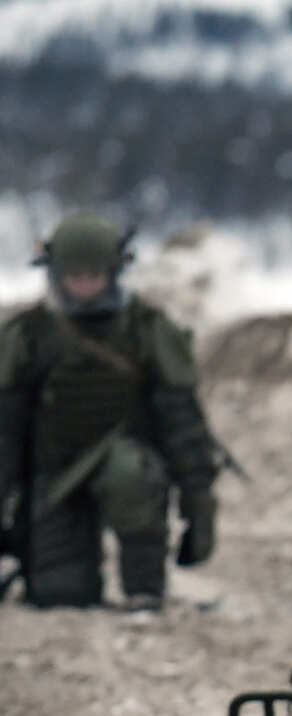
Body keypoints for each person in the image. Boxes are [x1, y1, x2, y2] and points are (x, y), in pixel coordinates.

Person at [0, 212, 219, 610]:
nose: (85, 286)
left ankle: (144, 585)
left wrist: (198, 506)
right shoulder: (29, 335)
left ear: (114, 272)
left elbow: (182, 423)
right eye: (75, 276)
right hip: (54, 474)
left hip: (127, 466)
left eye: (94, 275)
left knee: (131, 475)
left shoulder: (147, 329)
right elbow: (6, 431)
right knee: (60, 595)